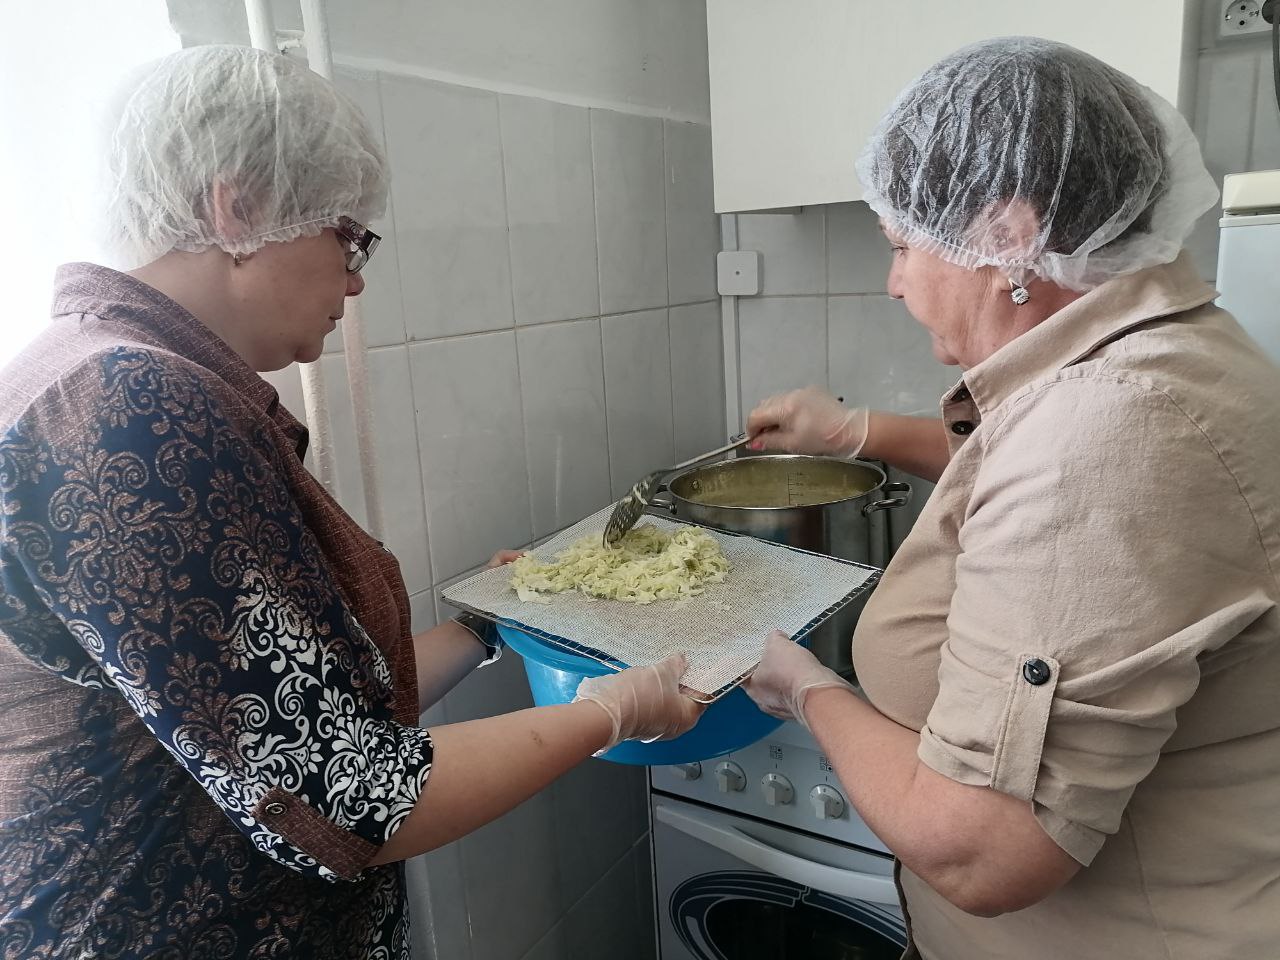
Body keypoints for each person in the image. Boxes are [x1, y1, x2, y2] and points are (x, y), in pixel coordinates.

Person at [0, 45, 701, 958]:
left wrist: (489, 626)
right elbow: (356, 798)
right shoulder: (128, 408)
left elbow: (288, 706)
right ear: (238, 208)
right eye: (347, 236)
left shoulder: (103, 378)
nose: (358, 278)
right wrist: (614, 712)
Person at [742, 36, 1280, 960]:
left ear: (1006, 235)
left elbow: (981, 853)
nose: (895, 283)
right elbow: (1018, 462)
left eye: (902, 246)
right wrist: (851, 433)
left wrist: (806, 688)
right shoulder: (1162, 356)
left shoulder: (1113, 428)